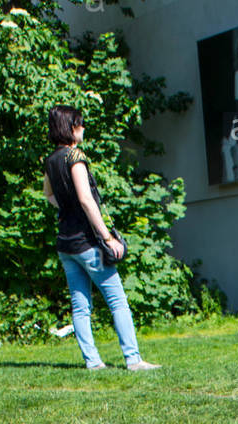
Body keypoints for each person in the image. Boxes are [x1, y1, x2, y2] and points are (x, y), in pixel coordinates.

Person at [43, 105, 159, 371]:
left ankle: (93, 362)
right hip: (87, 242)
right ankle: (133, 359)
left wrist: (67, 209)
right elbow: (86, 198)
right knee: (117, 300)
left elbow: (49, 195)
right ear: (71, 127)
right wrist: (108, 238)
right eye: (80, 124)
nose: (83, 128)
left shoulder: (50, 160)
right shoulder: (75, 156)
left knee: (80, 305)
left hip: (65, 243)